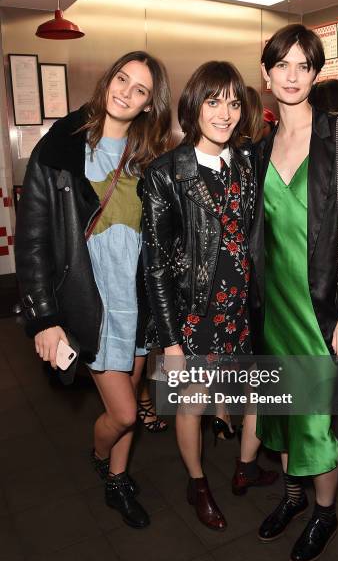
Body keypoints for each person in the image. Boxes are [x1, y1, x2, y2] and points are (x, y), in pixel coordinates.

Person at [15, 51, 172, 529]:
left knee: (133, 390)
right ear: (108, 79)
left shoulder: (150, 159)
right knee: (124, 413)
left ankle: (118, 479)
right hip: (92, 299)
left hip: (138, 298)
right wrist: (44, 317)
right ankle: (100, 456)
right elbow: (34, 236)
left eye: (140, 89)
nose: (125, 91)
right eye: (122, 79)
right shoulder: (62, 145)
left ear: (149, 104)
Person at [253, 24, 338, 561]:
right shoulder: (259, 148)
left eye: (304, 65)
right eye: (283, 64)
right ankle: (294, 498)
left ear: (316, 73)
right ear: (267, 73)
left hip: (321, 304)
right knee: (283, 411)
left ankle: (325, 513)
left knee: (316, 417)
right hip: (272, 303)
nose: (293, 75)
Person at [142, 60, 277, 531]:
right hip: (194, 315)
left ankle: (244, 466)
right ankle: (197, 483)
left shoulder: (245, 162)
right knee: (192, 403)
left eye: (234, 102)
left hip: (242, 310)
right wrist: (172, 342)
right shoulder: (166, 174)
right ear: (193, 106)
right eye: (214, 101)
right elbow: (155, 264)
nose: (225, 113)